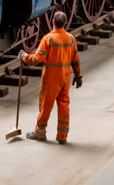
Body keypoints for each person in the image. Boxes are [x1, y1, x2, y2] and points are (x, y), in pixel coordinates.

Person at [18, 11, 82, 144]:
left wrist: (24, 57)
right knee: (64, 107)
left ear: (53, 22)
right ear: (65, 23)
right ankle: (62, 136)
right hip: (65, 78)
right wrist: (78, 75)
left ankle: (40, 133)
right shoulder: (71, 38)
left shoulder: (48, 39)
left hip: (52, 79)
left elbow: (37, 59)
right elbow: (75, 59)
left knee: (46, 106)